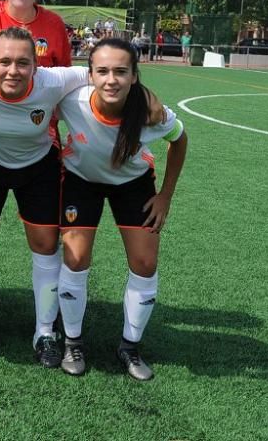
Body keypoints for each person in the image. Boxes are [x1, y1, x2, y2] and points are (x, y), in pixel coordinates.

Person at [0, 27, 88, 363]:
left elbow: (96, 69)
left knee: (45, 244)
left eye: (23, 63)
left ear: (35, 66)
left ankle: (45, 332)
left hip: (38, 167)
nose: (13, 70)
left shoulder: (53, 81)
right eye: (5, 61)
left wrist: (143, 98)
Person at [56, 38, 187, 381]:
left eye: (120, 71)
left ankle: (130, 346)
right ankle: (72, 341)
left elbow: (180, 139)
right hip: (80, 180)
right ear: (90, 75)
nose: (111, 79)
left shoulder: (150, 113)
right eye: (102, 71)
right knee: (75, 257)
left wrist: (165, 196)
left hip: (133, 184)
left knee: (145, 262)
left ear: (134, 76)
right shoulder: (73, 99)